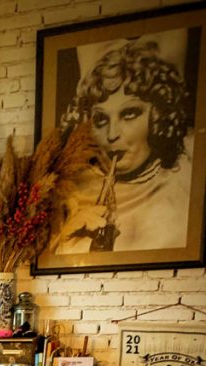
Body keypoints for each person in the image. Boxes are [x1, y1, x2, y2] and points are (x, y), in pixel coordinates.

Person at [55, 37, 192, 253]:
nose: (112, 135)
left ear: (158, 116)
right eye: (101, 120)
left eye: (129, 114)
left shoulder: (183, 187)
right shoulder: (72, 195)